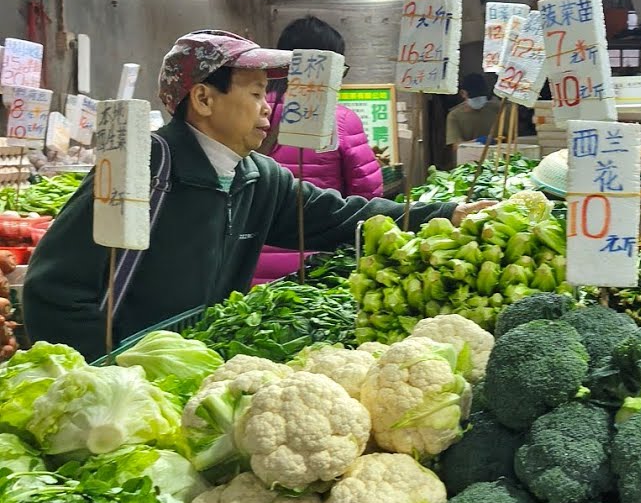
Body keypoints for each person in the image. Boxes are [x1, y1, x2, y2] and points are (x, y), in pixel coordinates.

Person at [24, 30, 492, 360]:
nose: (268, 106)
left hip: (197, 370)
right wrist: (106, 371)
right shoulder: (142, 166)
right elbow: (52, 288)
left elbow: (340, 218)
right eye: (255, 92)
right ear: (204, 99)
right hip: (131, 377)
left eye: (268, 92)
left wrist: (447, 213)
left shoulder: (258, 176)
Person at [253, 16, 383, 284]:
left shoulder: (249, 111)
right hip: (318, 269)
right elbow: (368, 196)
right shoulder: (341, 120)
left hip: (247, 265)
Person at [446, 72, 502, 154]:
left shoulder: (497, 109)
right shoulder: (455, 116)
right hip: (468, 159)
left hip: (495, 158)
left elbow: (510, 138)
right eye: (474, 96)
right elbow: (456, 147)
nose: (479, 99)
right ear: (463, 93)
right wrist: (477, 142)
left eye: (481, 96)